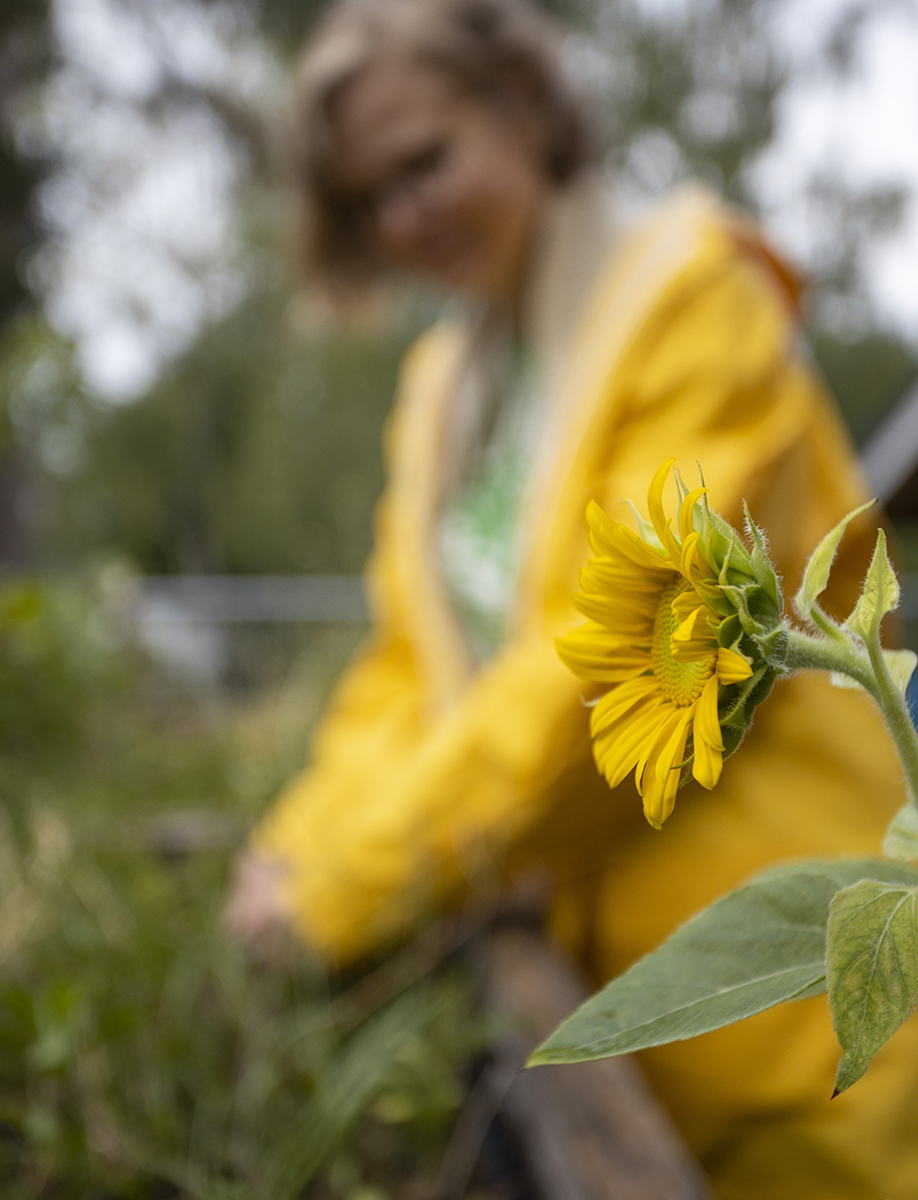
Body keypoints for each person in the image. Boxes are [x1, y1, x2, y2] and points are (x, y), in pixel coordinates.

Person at [225, 1, 918, 1195]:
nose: (404, 218)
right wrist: (293, 853)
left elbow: (621, 670)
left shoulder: (690, 299)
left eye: (424, 162)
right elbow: (408, 673)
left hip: (787, 1002)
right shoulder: (450, 389)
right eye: (365, 202)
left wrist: (348, 884)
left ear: (521, 106)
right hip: (594, 995)